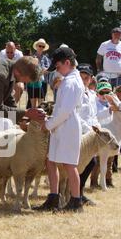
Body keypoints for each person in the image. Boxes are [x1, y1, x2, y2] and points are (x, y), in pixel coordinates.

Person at [26, 47, 84, 212]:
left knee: (69, 164)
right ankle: (53, 197)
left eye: (58, 67)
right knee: (50, 161)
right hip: (61, 125)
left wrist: (48, 124)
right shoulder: (68, 79)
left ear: (67, 63)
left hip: (68, 125)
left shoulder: (71, 82)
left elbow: (65, 111)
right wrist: (50, 120)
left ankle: (76, 200)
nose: (56, 70)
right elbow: (61, 110)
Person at [77, 64, 101, 205]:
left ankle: (79, 192)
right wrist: (88, 129)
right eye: (81, 77)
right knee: (87, 162)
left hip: (91, 133)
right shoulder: (76, 93)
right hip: (80, 132)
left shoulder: (92, 95)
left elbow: (94, 115)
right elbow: (75, 115)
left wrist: (97, 127)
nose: (84, 80)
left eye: (86, 77)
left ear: (91, 79)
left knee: (91, 162)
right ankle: (76, 193)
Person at [27, 39, 51, 107]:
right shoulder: (31, 57)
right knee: (32, 103)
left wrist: (40, 70)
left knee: (42, 103)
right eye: (40, 46)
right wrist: (42, 70)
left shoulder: (46, 58)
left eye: (43, 46)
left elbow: (48, 70)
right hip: (32, 82)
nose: (41, 48)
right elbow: (29, 69)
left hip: (43, 82)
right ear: (36, 46)